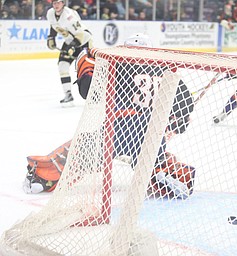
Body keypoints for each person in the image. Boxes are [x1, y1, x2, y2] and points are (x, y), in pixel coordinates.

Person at [23, 34, 196, 200]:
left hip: (121, 127)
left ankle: (42, 177)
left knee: (81, 152)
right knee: (154, 163)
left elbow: (87, 91)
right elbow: (186, 107)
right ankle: (176, 176)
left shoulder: (119, 64)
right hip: (152, 132)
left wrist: (84, 64)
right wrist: (176, 122)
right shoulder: (164, 69)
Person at [46, 0, 93, 105]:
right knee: (62, 65)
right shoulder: (50, 13)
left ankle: (94, 94)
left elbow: (80, 34)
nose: (56, 5)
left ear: (63, 3)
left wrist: (72, 46)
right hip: (70, 41)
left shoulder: (69, 16)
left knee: (86, 70)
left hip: (83, 41)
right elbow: (54, 25)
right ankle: (68, 94)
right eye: (54, 3)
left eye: (58, 3)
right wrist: (51, 37)